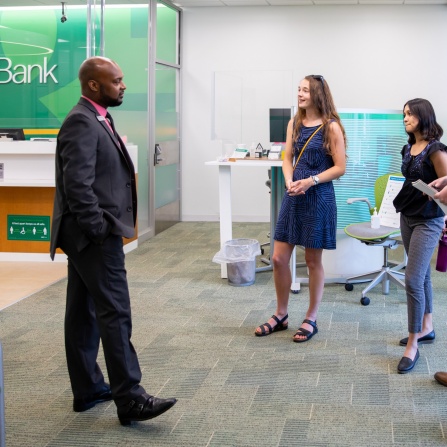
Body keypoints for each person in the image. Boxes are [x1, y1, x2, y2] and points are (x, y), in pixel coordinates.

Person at [50, 56, 177, 425]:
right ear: (94, 85)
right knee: (115, 312)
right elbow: (77, 185)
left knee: (83, 312)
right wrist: (98, 229)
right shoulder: (81, 121)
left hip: (86, 234)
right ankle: (130, 398)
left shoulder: (97, 117)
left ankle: (88, 388)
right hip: (93, 235)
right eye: (117, 81)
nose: (123, 86)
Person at [254, 75, 346, 342]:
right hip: (294, 195)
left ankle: (311, 318)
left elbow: (340, 167)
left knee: (313, 261)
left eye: (305, 90)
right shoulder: (294, 122)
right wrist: (289, 180)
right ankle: (281, 315)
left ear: (318, 94)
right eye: (298, 89)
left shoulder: (331, 127)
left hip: (318, 197)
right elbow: (287, 159)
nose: (300, 94)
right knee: (278, 258)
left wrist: (311, 181)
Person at [393, 98, 447, 374]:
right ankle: (427, 327)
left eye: (410, 114)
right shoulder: (408, 147)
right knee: (422, 274)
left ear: (423, 116)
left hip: (429, 219)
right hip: (408, 215)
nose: (405, 118)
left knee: (412, 279)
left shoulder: (436, 149)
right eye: (404, 114)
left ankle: (413, 344)